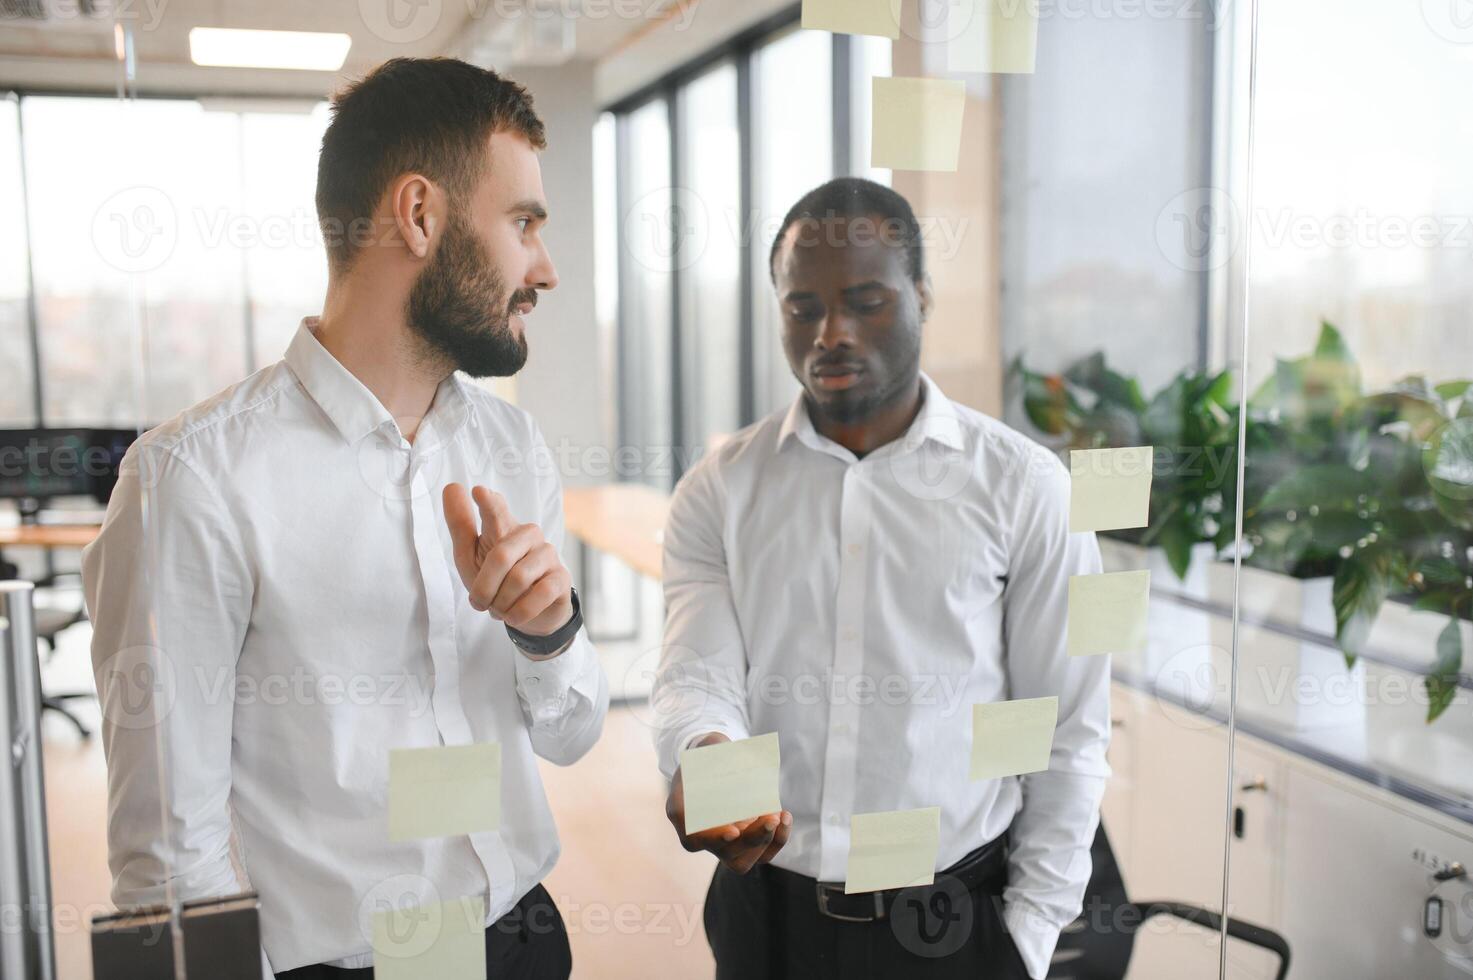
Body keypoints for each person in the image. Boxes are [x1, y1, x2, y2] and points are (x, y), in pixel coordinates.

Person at [82, 57, 607, 978]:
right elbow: (167, 856)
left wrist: (548, 634)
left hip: (522, 937)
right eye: (522, 222)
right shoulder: (192, 480)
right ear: (418, 215)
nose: (545, 268)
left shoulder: (511, 449)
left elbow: (571, 737)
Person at [654, 177, 1110, 979]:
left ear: (921, 297)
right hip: (768, 917)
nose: (830, 331)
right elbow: (699, 678)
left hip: (949, 920)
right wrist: (706, 748)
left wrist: (1028, 936)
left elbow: (1067, 728)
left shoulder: (1024, 487)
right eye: (801, 308)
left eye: (865, 301)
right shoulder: (719, 488)